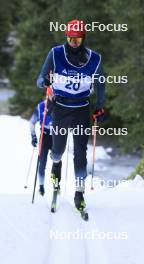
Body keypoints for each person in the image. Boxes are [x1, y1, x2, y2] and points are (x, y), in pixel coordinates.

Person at [37, 19, 105, 211]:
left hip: (82, 109)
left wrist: (100, 107)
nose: (73, 43)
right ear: (66, 37)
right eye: (70, 39)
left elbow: (100, 85)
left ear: (83, 38)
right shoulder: (55, 53)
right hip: (60, 108)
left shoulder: (94, 59)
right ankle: (56, 166)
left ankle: (79, 193)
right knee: (57, 151)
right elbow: (40, 79)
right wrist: (45, 81)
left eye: (77, 40)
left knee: (79, 153)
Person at [30, 100, 62, 196]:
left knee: (57, 160)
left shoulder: (61, 104)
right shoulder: (41, 106)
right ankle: (41, 186)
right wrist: (33, 136)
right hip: (44, 136)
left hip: (56, 136)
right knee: (42, 162)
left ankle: (56, 183)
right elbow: (32, 122)